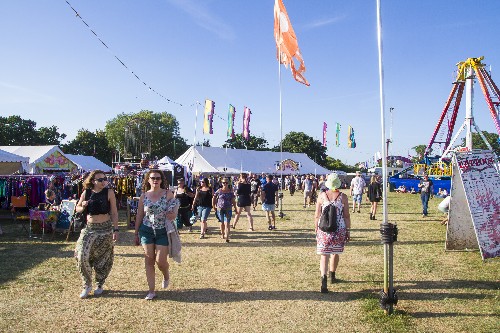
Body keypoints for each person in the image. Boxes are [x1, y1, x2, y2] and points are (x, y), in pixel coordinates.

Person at [134, 170, 179, 300]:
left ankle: (166, 275)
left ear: (161, 180)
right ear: (148, 180)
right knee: (149, 259)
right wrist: (136, 233)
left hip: (162, 231)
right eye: (153, 178)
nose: (155, 180)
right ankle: (151, 291)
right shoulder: (144, 196)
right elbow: (139, 215)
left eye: (158, 178)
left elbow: (174, 209)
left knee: (161, 261)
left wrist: (173, 214)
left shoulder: (167, 194)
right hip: (146, 230)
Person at [74, 170, 119, 299]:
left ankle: (99, 284)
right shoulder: (87, 192)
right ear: (93, 181)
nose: (104, 181)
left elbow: (114, 213)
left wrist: (116, 230)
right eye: (100, 180)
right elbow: (77, 208)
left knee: (103, 259)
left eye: (105, 179)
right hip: (90, 228)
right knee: (81, 254)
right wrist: (82, 206)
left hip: (105, 228)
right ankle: (87, 284)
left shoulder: (109, 192)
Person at [314, 173, 351, 293]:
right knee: (335, 252)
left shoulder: (321, 196)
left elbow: (317, 215)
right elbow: (346, 216)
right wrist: (348, 230)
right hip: (339, 228)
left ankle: (323, 280)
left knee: (324, 255)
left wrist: (316, 228)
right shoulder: (343, 196)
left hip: (323, 229)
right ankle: (332, 275)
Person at [212, 178, 237, 242]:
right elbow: (214, 198)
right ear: (221, 183)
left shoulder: (230, 191)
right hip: (220, 208)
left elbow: (233, 200)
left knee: (227, 223)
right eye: (223, 183)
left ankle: (227, 236)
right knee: (222, 222)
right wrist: (213, 206)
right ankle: (222, 234)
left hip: (228, 208)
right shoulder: (219, 191)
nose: (225, 184)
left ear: (228, 183)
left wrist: (235, 208)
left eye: (226, 183)